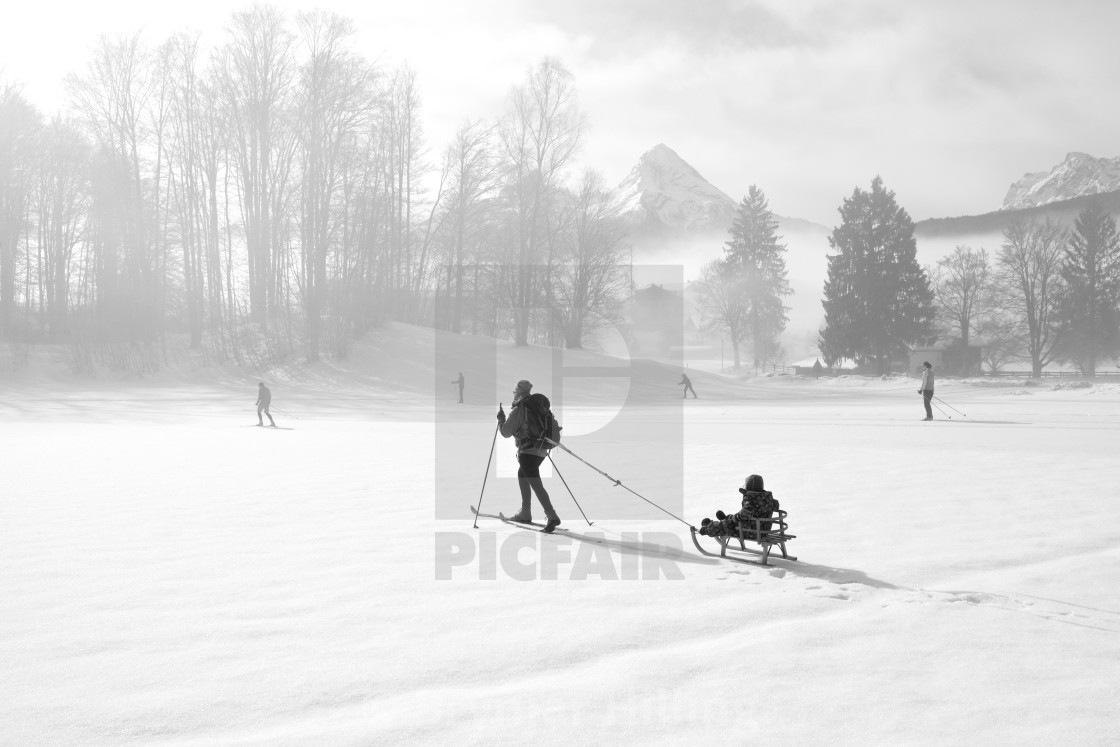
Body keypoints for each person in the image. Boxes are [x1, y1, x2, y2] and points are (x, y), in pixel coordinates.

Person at [497, 379, 561, 533]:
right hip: (541, 450)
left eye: (514, 392)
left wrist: (501, 420)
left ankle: (551, 516)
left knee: (535, 482)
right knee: (523, 474)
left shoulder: (520, 409)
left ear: (517, 393)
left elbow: (506, 432)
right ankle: (525, 512)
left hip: (528, 451)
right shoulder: (537, 407)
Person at [698, 474, 779, 537]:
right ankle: (727, 518)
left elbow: (746, 511)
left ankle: (707, 528)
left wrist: (735, 518)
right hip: (764, 530)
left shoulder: (751, 498)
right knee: (731, 519)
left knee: (725, 525)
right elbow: (775, 506)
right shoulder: (768, 498)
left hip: (752, 532)